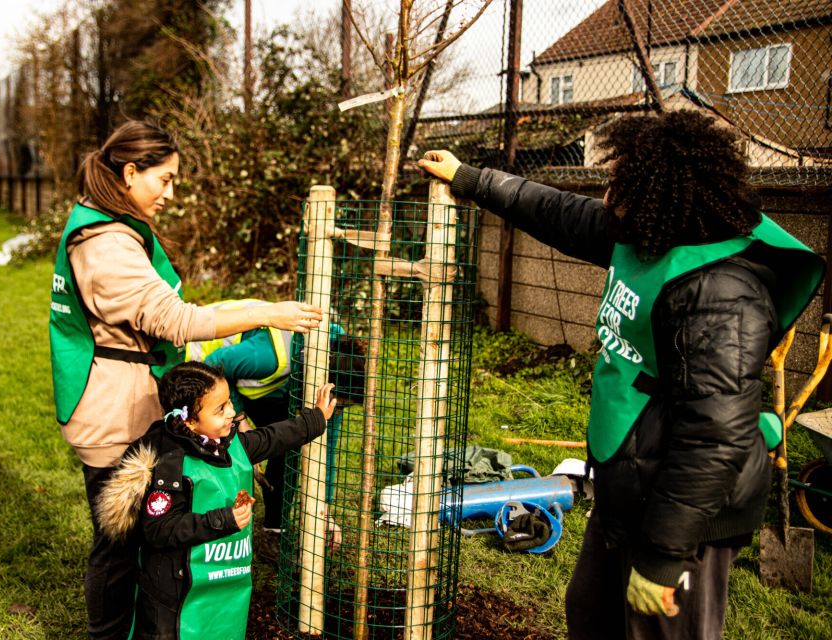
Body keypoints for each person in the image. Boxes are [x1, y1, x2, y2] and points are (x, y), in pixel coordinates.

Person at [418, 110, 825, 640]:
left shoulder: (721, 294)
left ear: (662, 191)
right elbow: (558, 211)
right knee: (589, 611)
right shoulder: (646, 232)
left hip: (685, 517)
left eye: (619, 185)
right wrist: (471, 178)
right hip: (629, 489)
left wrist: (662, 557)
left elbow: (714, 436)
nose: (609, 198)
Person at [48, 120, 323, 639]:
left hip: (126, 398)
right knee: (117, 545)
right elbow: (174, 320)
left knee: (135, 540)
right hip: (112, 410)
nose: (171, 193)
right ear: (130, 172)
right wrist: (266, 311)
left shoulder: (109, 223)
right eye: (164, 179)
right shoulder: (104, 243)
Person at [94, 361, 336, 639]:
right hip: (173, 598)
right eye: (220, 409)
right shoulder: (170, 464)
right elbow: (158, 529)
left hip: (223, 586)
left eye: (229, 403)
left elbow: (273, 438)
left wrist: (316, 418)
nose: (232, 413)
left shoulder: (228, 445)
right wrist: (223, 519)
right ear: (188, 421)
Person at [184, 299, 366, 533]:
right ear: (324, 382)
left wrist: (325, 511)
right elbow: (215, 365)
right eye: (338, 405)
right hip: (201, 363)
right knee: (219, 445)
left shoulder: (337, 373)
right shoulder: (270, 357)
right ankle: (207, 519)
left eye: (342, 408)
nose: (336, 410)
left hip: (262, 386)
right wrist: (238, 420)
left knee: (289, 441)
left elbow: (325, 447)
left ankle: (274, 527)